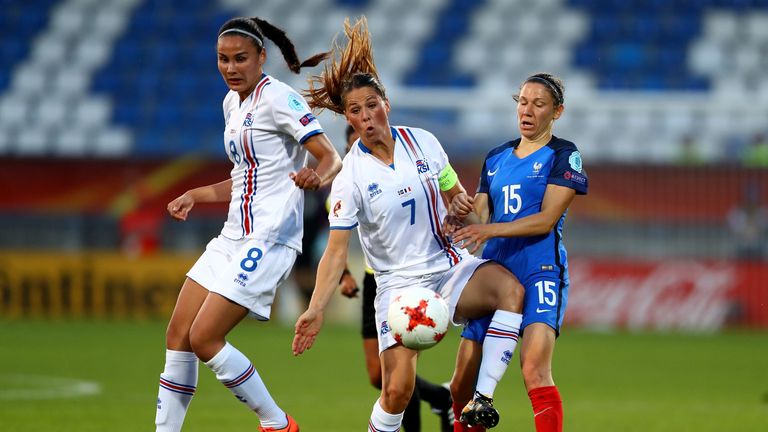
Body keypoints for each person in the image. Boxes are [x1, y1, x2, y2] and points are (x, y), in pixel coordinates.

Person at [291, 17, 525, 431]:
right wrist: (315, 309)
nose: (365, 116)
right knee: (396, 391)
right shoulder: (350, 177)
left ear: (386, 104)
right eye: (354, 111)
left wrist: (460, 207)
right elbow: (336, 251)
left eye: (371, 105)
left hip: (449, 268)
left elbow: (457, 197)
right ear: (347, 118)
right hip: (399, 287)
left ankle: (480, 401)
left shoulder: (425, 142)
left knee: (511, 291)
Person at [154, 17, 342, 432]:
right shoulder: (231, 104)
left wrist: (317, 176)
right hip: (231, 236)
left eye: (240, 58)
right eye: (223, 59)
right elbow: (246, 176)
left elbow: (330, 157)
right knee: (178, 334)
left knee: (205, 338)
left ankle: (277, 424)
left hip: (270, 237)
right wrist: (197, 194)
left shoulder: (280, 99)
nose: (231, 67)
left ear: (261, 57)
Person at [446, 72, 588, 432]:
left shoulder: (563, 155)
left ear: (557, 111)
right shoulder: (495, 158)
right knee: (463, 380)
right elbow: (479, 213)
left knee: (535, 370)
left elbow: (545, 220)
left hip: (540, 268)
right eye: (522, 102)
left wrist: (487, 227)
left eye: (538, 104)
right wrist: (460, 209)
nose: (527, 110)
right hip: (494, 273)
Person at [337, 124, 454, 432]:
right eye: (352, 145)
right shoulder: (349, 181)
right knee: (378, 376)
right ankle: (442, 397)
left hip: (411, 279)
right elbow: (336, 241)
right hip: (375, 281)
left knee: (399, 376)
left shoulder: (406, 165)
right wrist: (344, 274)